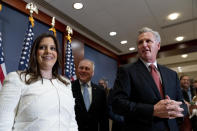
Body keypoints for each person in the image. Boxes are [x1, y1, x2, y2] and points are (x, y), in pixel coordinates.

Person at [112, 27, 188, 131]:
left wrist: (178, 109)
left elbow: (182, 103)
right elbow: (117, 103)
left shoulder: (172, 74)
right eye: (140, 42)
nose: (144, 44)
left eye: (148, 41)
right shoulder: (126, 71)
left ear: (158, 45)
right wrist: (152, 110)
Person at [0, 33, 78, 131]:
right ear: (35, 53)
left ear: (57, 54)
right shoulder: (17, 79)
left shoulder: (66, 84)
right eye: (42, 47)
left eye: (52, 48)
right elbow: (3, 122)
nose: (48, 51)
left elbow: (71, 123)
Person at [71, 59, 109, 131]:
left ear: (93, 73)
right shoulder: (68, 88)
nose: (83, 70)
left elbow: (104, 118)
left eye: (87, 68)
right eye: (81, 68)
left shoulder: (100, 91)